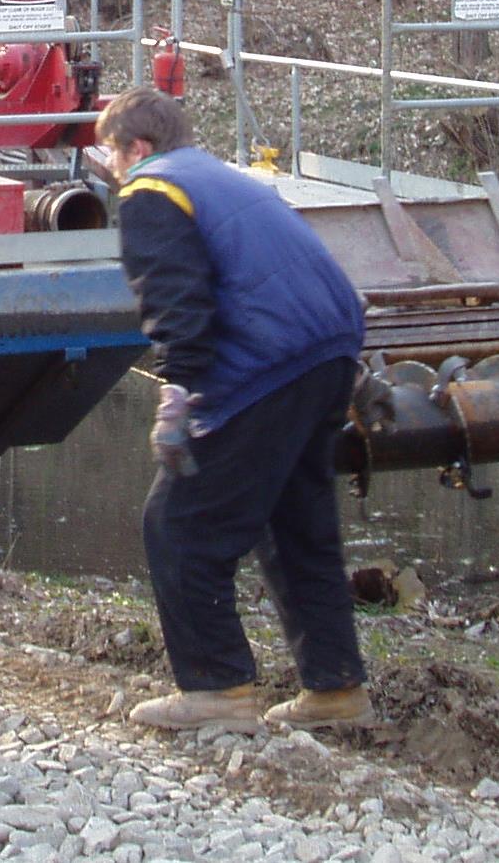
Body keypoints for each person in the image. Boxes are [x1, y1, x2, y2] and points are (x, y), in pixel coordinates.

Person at [96, 86, 374, 730]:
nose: (110, 168)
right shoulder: (227, 177)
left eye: (112, 153)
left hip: (264, 366)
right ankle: (336, 690)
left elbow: (175, 297)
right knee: (297, 524)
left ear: (137, 148)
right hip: (330, 352)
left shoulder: (151, 190)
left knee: (177, 523)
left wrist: (176, 395)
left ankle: (217, 687)